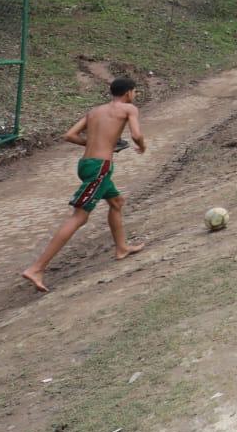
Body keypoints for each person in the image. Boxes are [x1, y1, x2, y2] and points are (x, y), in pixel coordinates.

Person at [20, 78, 147, 293]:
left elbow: (69, 135)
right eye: (134, 92)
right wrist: (142, 146)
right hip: (101, 168)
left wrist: (93, 143)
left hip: (86, 164)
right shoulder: (129, 108)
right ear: (128, 93)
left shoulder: (95, 111)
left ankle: (122, 247)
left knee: (116, 202)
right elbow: (136, 135)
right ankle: (36, 268)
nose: (134, 95)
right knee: (80, 216)